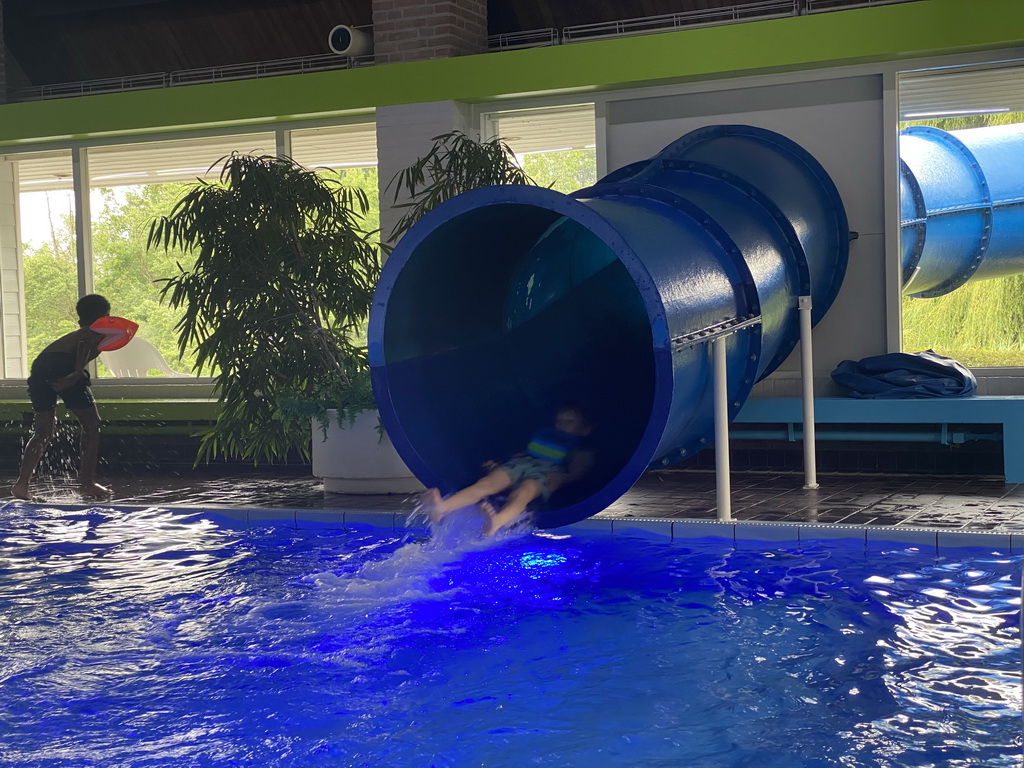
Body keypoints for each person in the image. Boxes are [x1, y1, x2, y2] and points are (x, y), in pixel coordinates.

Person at [422, 405, 595, 536]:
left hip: (548, 472)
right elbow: (524, 453)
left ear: (585, 429)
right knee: (486, 483)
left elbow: (578, 472)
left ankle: (498, 521)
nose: (562, 425)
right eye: (559, 421)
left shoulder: (580, 448)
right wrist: (499, 465)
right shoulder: (545, 436)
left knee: (524, 491)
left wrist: (563, 478)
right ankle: (443, 507)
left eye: (570, 422)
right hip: (523, 463)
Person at [11, 294, 114, 501]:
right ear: (106, 316)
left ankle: (21, 485)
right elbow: (85, 344)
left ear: (79, 318)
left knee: (43, 431)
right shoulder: (96, 330)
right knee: (92, 426)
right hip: (63, 364)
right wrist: (76, 373)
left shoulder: (73, 334)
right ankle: (86, 483)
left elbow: (81, 343)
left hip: (41, 365)